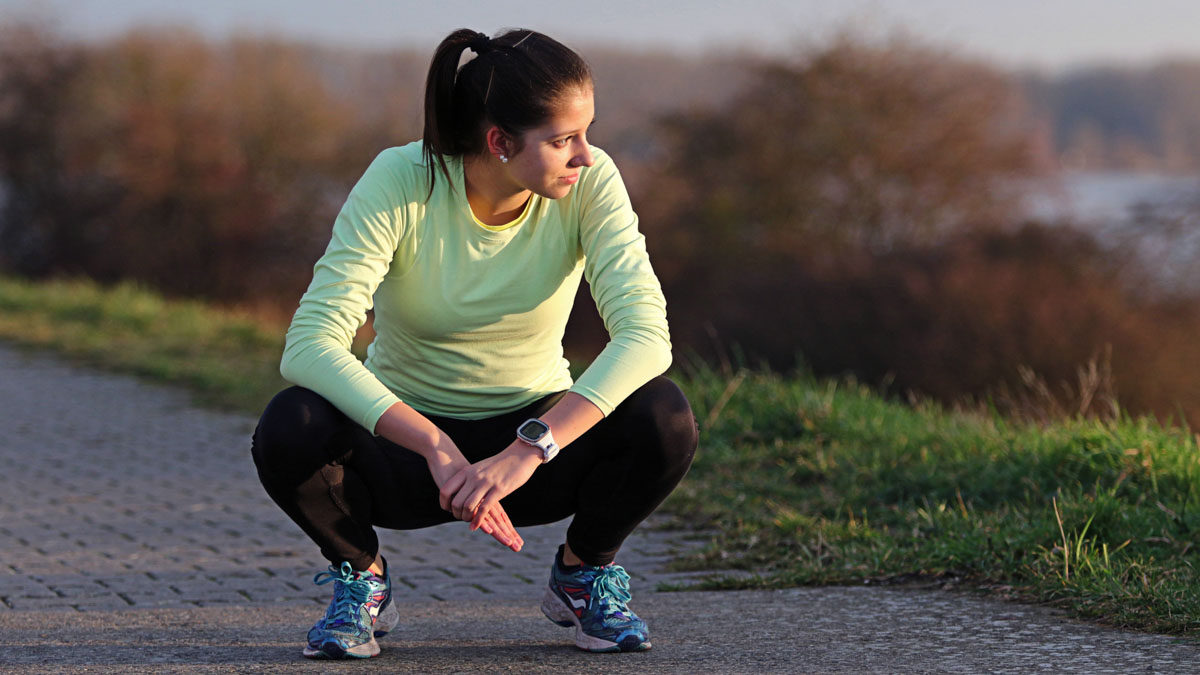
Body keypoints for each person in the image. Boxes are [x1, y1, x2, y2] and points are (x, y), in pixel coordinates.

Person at [250, 27, 698, 660]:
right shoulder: (401, 179)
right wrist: (433, 444)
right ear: (499, 141)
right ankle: (363, 579)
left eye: (587, 133)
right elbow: (309, 344)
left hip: (531, 451)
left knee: (664, 414)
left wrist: (532, 446)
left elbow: (647, 336)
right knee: (288, 424)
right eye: (564, 139)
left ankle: (582, 572)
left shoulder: (590, 186)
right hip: (408, 455)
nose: (586, 156)